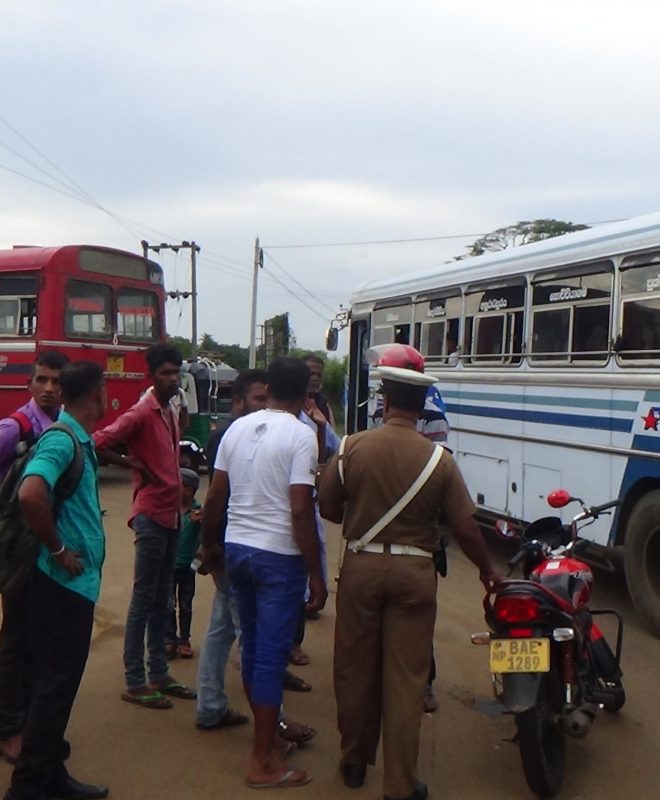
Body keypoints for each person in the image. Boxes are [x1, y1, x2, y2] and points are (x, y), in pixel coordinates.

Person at [318, 343, 501, 800]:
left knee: (354, 670)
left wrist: (362, 517)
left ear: (384, 397)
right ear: (422, 407)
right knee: (406, 682)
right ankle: (399, 785)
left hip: (360, 568)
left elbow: (328, 507)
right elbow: (466, 528)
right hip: (415, 574)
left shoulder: (351, 448)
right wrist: (487, 573)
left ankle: (353, 761)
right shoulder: (441, 461)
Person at [200, 357, 327, 790]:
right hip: (278, 557)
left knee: (253, 650)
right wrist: (316, 573)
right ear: (306, 395)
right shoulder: (302, 435)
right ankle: (262, 762)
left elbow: (216, 495)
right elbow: (299, 508)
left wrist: (209, 545)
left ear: (269, 386)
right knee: (271, 658)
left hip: (238, 548)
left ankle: (269, 741)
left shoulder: (238, 428)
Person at [4, 360, 108, 800]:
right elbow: (31, 493)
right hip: (60, 587)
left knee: (57, 685)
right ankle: (28, 787)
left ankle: (51, 772)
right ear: (97, 396)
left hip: (68, 587)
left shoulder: (74, 438)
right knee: (53, 686)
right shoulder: (62, 440)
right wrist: (60, 549)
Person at [94, 343, 195, 710]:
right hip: (152, 516)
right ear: (151, 376)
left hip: (172, 516)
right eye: (166, 373)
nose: (172, 378)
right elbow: (96, 443)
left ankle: (159, 673)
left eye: (176, 372)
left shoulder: (169, 409)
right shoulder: (140, 412)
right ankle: (135, 680)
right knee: (143, 599)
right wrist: (134, 465)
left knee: (161, 597)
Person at [0, 350, 69, 766]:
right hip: (17, 549)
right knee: (16, 637)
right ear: (29, 384)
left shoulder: (59, 428)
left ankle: (23, 715)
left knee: (34, 636)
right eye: (41, 380)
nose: (48, 388)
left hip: (41, 548)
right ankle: (8, 728)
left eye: (56, 381)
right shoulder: (15, 427)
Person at [195, 369, 267, 731]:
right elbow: (215, 498)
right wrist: (211, 546)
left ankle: (209, 705)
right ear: (238, 401)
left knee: (221, 629)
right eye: (258, 399)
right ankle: (275, 722)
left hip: (228, 546)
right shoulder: (229, 436)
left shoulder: (243, 433)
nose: (264, 407)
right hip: (231, 547)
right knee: (249, 635)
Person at [166, 469, 202, 659]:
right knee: (168, 605)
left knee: (186, 604)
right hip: (169, 566)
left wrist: (202, 521)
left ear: (189, 490)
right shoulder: (169, 508)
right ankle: (170, 639)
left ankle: (184, 639)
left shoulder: (198, 511)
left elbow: (204, 539)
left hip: (188, 567)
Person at [303, 353, 335, 428]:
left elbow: (331, 434)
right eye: (311, 374)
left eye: (319, 375)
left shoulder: (323, 403)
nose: (315, 379)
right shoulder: (287, 401)